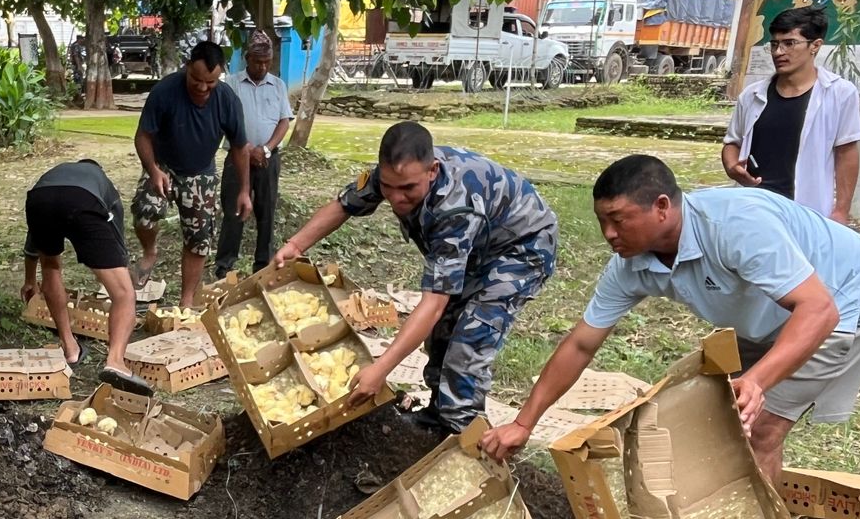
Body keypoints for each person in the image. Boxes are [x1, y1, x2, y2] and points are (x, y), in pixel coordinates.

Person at [481, 155, 860, 481]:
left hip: (849, 296)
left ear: (662, 207)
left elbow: (818, 309)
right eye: (601, 222)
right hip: (775, 308)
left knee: (762, 430)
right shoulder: (629, 264)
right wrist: (523, 422)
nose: (608, 234)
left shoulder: (735, 227)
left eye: (618, 220)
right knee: (712, 413)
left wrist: (757, 381)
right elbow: (581, 343)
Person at [272, 121, 558, 434]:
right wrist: (295, 245)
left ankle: (462, 436)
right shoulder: (394, 173)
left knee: (469, 342)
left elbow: (433, 304)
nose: (396, 198)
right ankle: (438, 415)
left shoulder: (454, 210)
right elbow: (344, 205)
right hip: (478, 245)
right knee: (440, 335)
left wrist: (380, 369)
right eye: (388, 188)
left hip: (521, 248)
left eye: (408, 188)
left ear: (433, 171)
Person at [132, 40, 250, 307]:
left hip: (201, 173)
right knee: (145, 213)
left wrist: (244, 190)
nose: (202, 88)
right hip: (164, 165)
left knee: (199, 239)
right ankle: (150, 252)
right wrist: (153, 170)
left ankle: (185, 303)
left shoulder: (227, 100)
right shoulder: (165, 91)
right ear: (187, 68)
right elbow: (143, 136)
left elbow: (240, 149)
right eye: (196, 80)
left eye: (210, 83)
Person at [20, 159, 152, 395]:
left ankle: (70, 349)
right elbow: (116, 234)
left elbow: (34, 241)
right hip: (83, 202)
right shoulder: (104, 184)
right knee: (123, 294)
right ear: (99, 169)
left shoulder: (54, 174)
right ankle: (115, 362)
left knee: (50, 267)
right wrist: (118, 266)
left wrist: (30, 279)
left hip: (39, 199)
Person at [723, 6, 860, 223]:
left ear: (815, 46)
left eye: (789, 43)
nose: (779, 52)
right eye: (774, 44)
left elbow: (846, 152)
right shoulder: (752, 95)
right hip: (754, 207)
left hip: (806, 210)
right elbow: (732, 142)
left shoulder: (839, 93)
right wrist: (732, 167)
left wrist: (841, 211)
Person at [215, 29, 294, 278]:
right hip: (238, 157)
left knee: (266, 210)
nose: (262, 67)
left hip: (268, 158)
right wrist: (246, 148)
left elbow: (284, 121)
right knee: (233, 211)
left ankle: (263, 265)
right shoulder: (231, 85)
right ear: (247, 58)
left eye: (267, 62)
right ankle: (224, 266)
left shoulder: (278, 85)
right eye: (258, 62)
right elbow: (223, 121)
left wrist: (266, 149)